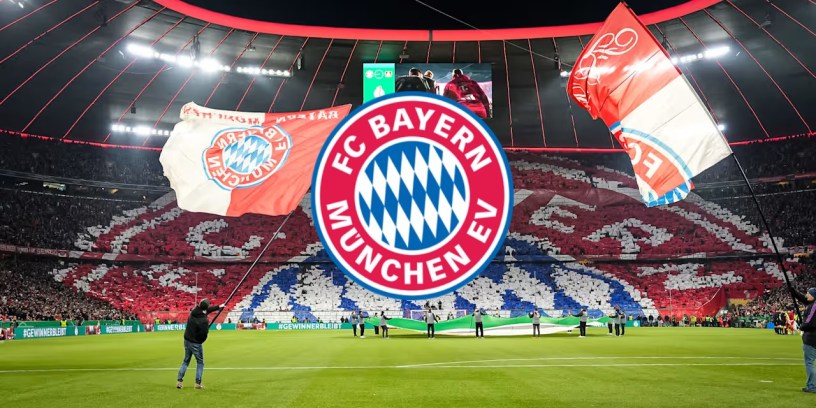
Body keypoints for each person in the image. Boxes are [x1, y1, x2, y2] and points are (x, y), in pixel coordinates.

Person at [176, 298, 224, 390]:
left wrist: (219, 307)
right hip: (196, 343)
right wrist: (202, 340)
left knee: (186, 361)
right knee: (200, 362)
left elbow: (207, 310)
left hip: (187, 340)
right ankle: (198, 383)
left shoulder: (194, 311)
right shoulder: (203, 320)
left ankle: (179, 381)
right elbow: (204, 335)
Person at [792, 288, 816, 393]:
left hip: (811, 338)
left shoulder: (814, 306)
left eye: (808, 293)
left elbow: (809, 322)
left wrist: (802, 327)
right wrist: (794, 292)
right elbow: (804, 299)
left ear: (813, 295)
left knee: (809, 363)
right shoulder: (812, 304)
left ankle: (812, 386)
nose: (806, 295)